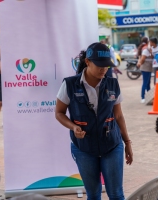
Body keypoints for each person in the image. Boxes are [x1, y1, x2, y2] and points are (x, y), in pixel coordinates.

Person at [55, 42, 133, 200]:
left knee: (116, 194)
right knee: (93, 194)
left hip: (112, 145)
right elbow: (59, 113)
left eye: (106, 65)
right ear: (88, 62)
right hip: (83, 148)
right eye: (100, 65)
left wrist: (127, 143)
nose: (104, 69)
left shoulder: (112, 84)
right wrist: (73, 127)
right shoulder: (69, 84)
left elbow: (118, 116)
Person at [137, 37, 153, 104]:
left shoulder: (143, 47)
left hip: (147, 68)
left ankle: (149, 96)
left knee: (148, 83)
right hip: (146, 68)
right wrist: (140, 63)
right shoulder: (145, 48)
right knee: (145, 83)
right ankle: (143, 97)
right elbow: (143, 59)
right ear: (148, 41)